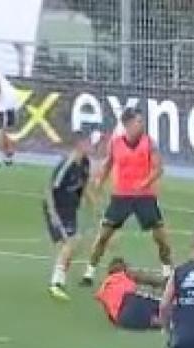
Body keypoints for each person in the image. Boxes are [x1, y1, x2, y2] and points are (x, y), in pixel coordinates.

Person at [80, 108, 171, 287]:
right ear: (128, 125)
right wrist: (99, 182)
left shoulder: (149, 143)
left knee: (160, 237)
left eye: (142, 121)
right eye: (138, 122)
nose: (142, 125)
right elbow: (108, 164)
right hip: (121, 196)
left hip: (144, 197)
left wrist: (145, 183)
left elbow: (158, 168)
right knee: (104, 236)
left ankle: (168, 272)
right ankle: (89, 272)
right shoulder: (115, 143)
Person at [46, 132, 97, 300]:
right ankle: (55, 283)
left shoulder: (85, 163)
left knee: (72, 246)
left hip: (70, 209)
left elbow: (85, 187)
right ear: (80, 144)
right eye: (88, 142)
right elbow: (49, 190)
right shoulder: (66, 165)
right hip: (57, 208)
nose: (92, 145)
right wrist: (53, 214)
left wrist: (96, 209)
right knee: (72, 241)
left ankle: (60, 281)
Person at [95, 257, 166, 331]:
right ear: (123, 268)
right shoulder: (122, 275)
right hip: (130, 303)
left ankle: (155, 321)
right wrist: (166, 284)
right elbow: (147, 279)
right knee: (161, 302)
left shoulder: (105, 286)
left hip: (122, 321)